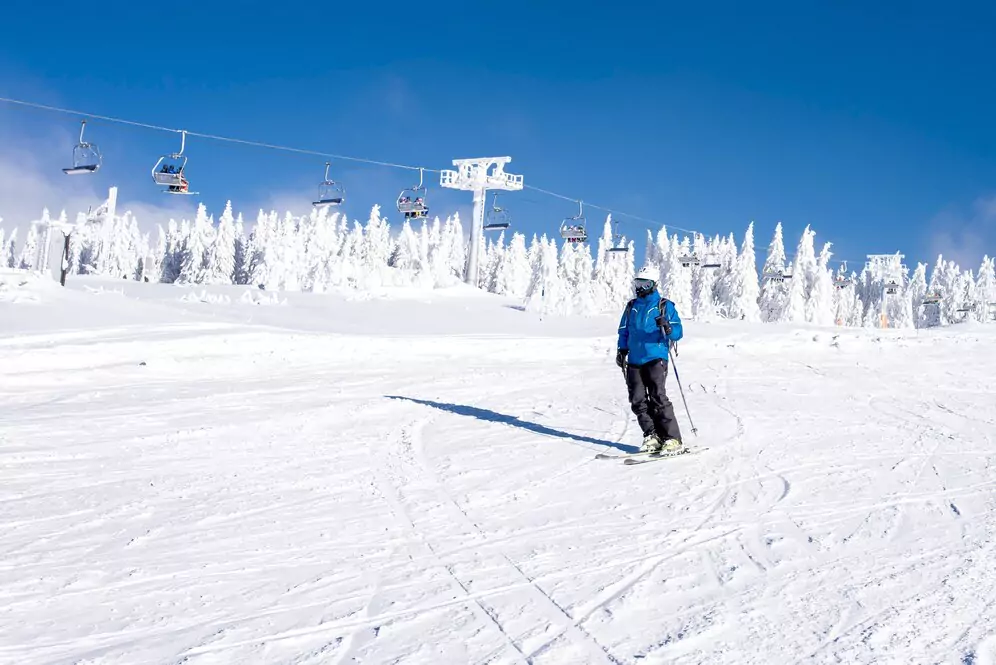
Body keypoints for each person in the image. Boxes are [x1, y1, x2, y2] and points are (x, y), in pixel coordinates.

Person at [615, 266, 685, 454]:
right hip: (635, 359)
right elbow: (624, 331)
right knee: (637, 400)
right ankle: (651, 435)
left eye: (644, 283)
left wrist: (668, 328)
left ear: (653, 284)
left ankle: (672, 439)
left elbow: (678, 333)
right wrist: (622, 350)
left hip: (656, 357)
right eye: (638, 283)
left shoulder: (664, 305)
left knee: (657, 397)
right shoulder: (632, 306)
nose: (640, 287)